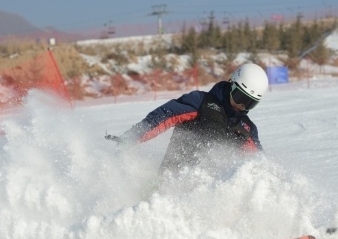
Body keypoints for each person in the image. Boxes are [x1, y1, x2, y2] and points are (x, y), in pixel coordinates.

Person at [107, 63, 269, 170]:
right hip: (174, 177)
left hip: (212, 191)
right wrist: (131, 137)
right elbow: (164, 116)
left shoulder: (247, 128)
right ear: (232, 84)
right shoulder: (201, 102)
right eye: (240, 98)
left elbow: (258, 162)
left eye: (249, 103)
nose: (241, 106)